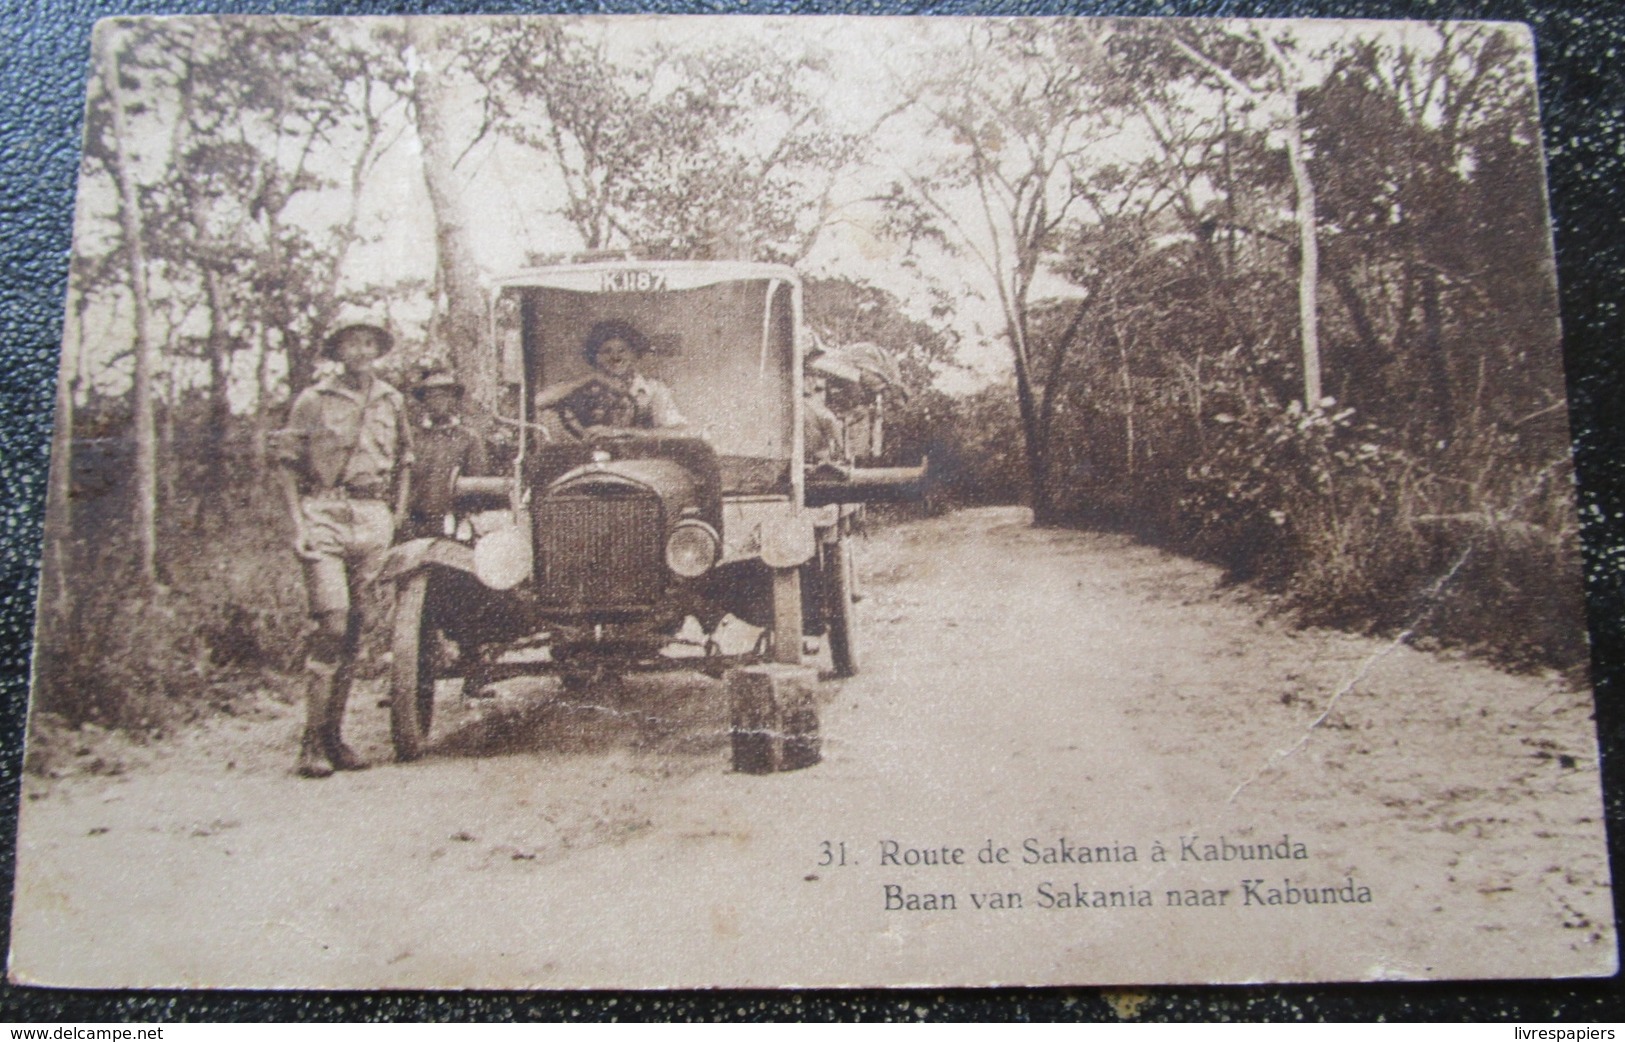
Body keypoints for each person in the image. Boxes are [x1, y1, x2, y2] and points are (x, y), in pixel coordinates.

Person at [276, 320, 412, 778]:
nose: (361, 349)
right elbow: (287, 466)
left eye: (369, 342)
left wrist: (395, 512)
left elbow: (406, 458)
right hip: (324, 515)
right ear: (338, 350)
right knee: (331, 624)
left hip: (372, 517)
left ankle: (334, 738)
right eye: (352, 342)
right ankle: (310, 742)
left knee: (358, 629)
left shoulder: (391, 399)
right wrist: (299, 526)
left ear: (378, 349)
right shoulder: (313, 400)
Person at [534, 320, 685, 437]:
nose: (615, 357)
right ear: (596, 357)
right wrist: (591, 378)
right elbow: (539, 401)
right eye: (606, 351)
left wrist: (626, 433)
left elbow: (678, 431)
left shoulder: (653, 389)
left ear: (634, 354)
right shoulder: (585, 388)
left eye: (622, 350)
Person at [404, 368, 491, 540]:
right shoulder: (414, 438)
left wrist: (465, 518)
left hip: (453, 523)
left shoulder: (468, 438)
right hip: (416, 523)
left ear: (453, 400)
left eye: (442, 396)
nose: (436, 402)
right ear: (424, 402)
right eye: (430, 397)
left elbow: (476, 482)